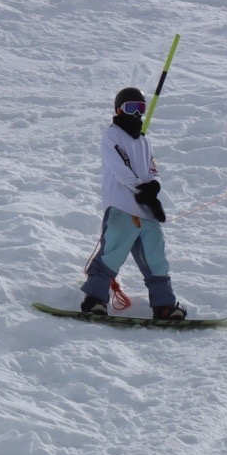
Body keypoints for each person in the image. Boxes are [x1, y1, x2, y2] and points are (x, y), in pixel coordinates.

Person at [79, 86, 188, 321]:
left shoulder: (143, 141)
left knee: (156, 258)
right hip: (121, 208)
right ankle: (95, 300)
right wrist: (141, 190)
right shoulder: (112, 135)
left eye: (141, 108)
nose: (136, 114)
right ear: (119, 110)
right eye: (131, 108)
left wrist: (153, 188)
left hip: (145, 212)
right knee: (112, 253)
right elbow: (121, 169)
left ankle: (164, 305)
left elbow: (152, 169)